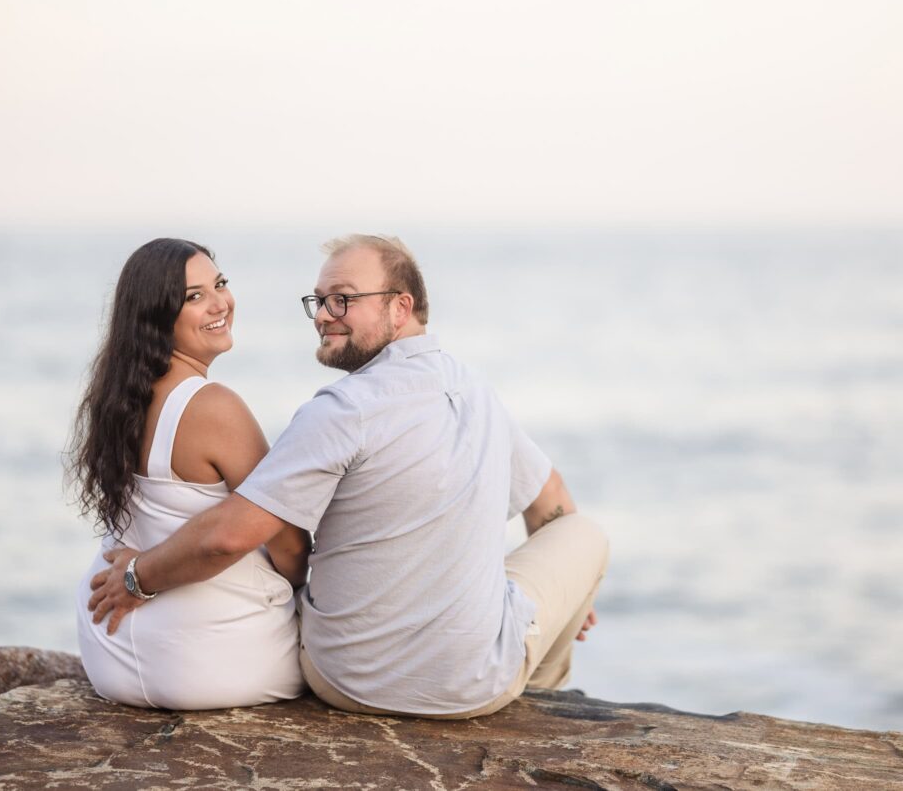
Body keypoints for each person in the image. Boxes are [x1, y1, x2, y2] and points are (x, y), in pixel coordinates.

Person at [88, 234, 609, 718]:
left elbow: (242, 536)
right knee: (583, 536)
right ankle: (543, 700)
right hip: (471, 686)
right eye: (319, 301)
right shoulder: (477, 392)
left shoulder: (339, 409)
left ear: (400, 306)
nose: (323, 316)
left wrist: (140, 575)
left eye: (342, 299)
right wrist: (571, 600)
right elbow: (552, 500)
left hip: (342, 678)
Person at [69, 238, 308, 710]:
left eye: (220, 284)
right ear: (158, 317)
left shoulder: (118, 398)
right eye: (195, 296)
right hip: (211, 661)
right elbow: (289, 547)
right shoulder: (213, 406)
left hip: (111, 654)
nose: (221, 303)